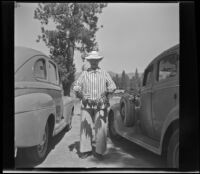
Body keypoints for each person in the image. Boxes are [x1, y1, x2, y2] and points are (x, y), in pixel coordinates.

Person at [73, 51, 116, 159]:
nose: (93, 62)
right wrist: (82, 95)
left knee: (101, 128)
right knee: (85, 127)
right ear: (89, 61)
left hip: (100, 105)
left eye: (95, 60)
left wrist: (106, 94)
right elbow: (76, 86)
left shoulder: (104, 73)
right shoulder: (84, 74)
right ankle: (85, 150)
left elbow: (112, 86)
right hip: (86, 104)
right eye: (91, 60)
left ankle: (100, 151)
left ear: (98, 61)